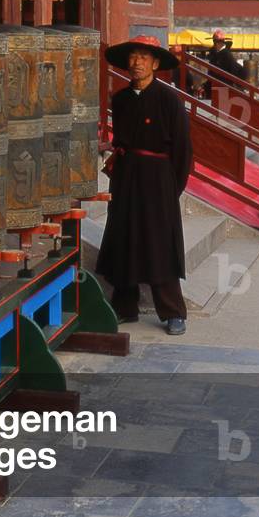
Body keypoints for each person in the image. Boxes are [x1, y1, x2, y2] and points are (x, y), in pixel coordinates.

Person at [96, 35, 193, 335]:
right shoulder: (121, 98)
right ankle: (125, 306)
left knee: (158, 241)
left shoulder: (169, 100)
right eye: (133, 57)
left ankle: (173, 311)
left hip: (158, 180)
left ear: (155, 63)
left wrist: (169, 187)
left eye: (143, 57)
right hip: (126, 177)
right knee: (124, 236)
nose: (136, 62)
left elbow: (182, 152)